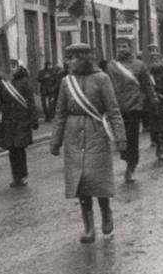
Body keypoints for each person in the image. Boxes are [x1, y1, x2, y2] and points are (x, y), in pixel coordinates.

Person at [50, 43, 127, 243]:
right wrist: (55, 141)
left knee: (97, 179)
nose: (69, 62)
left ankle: (106, 212)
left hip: (96, 131)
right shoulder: (67, 82)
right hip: (73, 134)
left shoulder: (102, 79)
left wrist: (120, 138)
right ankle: (89, 227)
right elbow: (60, 113)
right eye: (68, 58)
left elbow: (113, 110)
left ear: (84, 59)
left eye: (73, 58)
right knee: (80, 182)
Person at [106, 36, 157, 183]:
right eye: (119, 47)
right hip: (116, 108)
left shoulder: (139, 65)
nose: (122, 49)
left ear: (130, 48)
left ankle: (131, 167)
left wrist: (151, 102)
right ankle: (126, 157)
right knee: (120, 139)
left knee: (132, 139)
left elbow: (147, 85)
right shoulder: (111, 66)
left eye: (124, 46)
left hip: (133, 107)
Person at [0, 59, 39, 187]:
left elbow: (30, 101)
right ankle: (15, 176)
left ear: (18, 68)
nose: (12, 70)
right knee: (12, 150)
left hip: (21, 120)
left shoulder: (24, 82)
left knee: (20, 149)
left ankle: (23, 175)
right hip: (8, 121)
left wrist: (33, 118)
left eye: (14, 67)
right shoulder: (2, 84)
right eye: (9, 67)